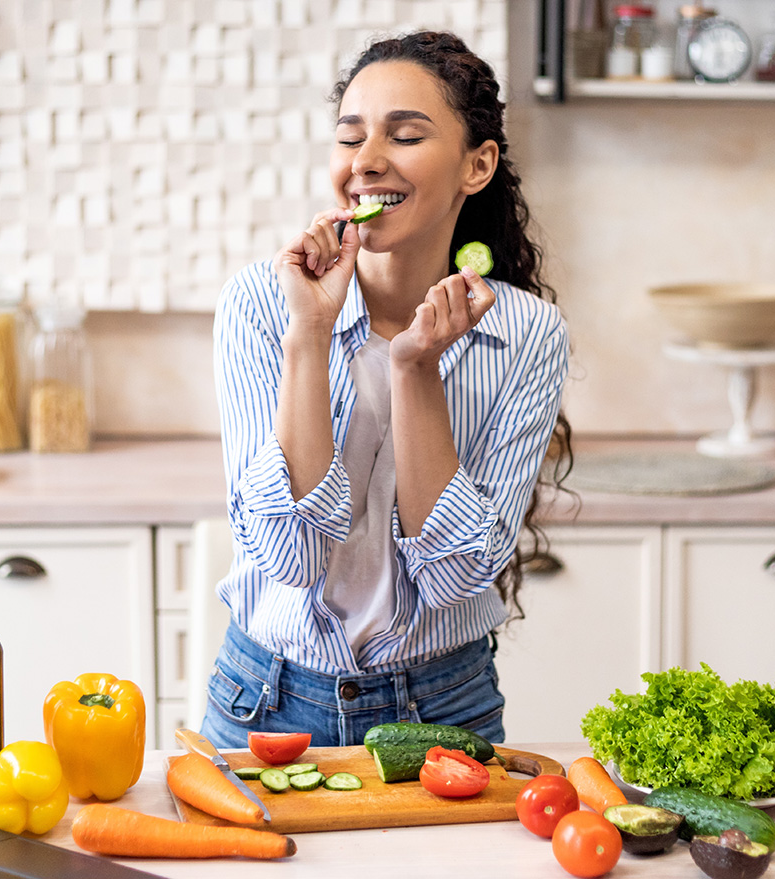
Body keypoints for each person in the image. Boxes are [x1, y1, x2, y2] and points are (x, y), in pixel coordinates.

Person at [202, 30, 571, 748]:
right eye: (349, 138)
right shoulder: (260, 303)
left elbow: (456, 575)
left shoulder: (528, 335)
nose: (365, 163)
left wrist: (415, 369)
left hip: (444, 707)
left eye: (404, 136)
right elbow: (290, 555)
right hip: (265, 704)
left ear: (478, 164)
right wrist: (309, 333)